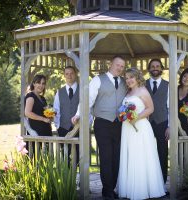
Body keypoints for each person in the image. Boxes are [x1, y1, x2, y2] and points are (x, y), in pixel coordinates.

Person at [72, 56, 126, 200]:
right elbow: (87, 100)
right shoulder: (98, 80)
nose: (119, 68)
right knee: (106, 157)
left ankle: (112, 186)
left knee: (117, 157)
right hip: (103, 123)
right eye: (117, 65)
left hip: (120, 124)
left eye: (122, 66)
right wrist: (78, 114)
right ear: (110, 64)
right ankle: (107, 189)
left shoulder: (124, 82)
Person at [117, 68, 165, 200]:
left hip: (140, 127)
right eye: (126, 78)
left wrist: (136, 118)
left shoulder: (143, 91)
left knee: (140, 156)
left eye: (131, 77)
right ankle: (129, 188)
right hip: (127, 128)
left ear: (138, 77)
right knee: (130, 155)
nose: (128, 80)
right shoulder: (128, 92)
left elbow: (151, 108)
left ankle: (142, 189)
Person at [146, 58, 169, 184]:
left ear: (161, 69)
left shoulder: (168, 85)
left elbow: (170, 107)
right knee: (147, 152)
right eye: (153, 66)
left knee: (162, 152)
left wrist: (170, 126)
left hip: (162, 123)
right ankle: (148, 181)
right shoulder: (142, 84)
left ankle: (162, 182)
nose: (155, 68)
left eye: (158, 66)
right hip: (146, 123)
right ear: (149, 69)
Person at [53, 66, 79, 163]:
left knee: (79, 155)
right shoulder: (59, 92)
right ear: (64, 75)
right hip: (63, 128)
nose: (69, 75)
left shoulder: (83, 90)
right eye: (67, 74)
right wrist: (58, 126)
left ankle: (79, 177)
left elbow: (88, 109)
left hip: (79, 129)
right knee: (65, 157)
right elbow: (56, 110)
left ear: (75, 74)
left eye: (71, 73)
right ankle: (67, 177)